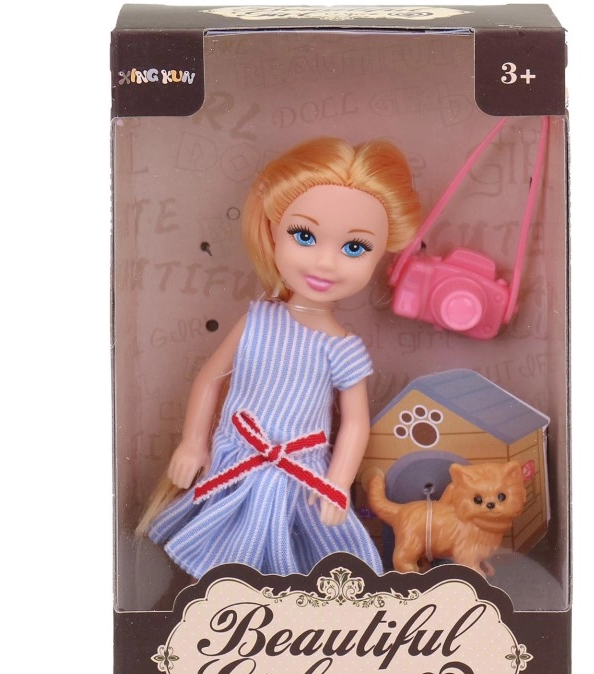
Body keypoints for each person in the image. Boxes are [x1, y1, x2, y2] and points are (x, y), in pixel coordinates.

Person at [138, 137, 422, 579]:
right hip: (236, 459)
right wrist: (193, 442)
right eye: (304, 236)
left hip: (298, 477)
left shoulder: (342, 348)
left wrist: (338, 482)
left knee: (294, 565)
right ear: (273, 231)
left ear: (381, 253)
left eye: (354, 248)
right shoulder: (257, 321)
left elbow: (355, 422)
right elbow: (211, 378)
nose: (325, 263)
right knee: (224, 556)